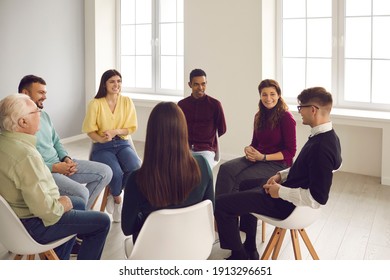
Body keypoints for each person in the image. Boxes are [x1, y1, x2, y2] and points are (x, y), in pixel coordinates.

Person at [215, 87, 342, 260]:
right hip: (286, 191)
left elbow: (318, 198)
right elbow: (303, 167)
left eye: (301, 108)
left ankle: (240, 256)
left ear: (313, 110)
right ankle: (250, 247)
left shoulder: (321, 147)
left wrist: (279, 191)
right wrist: (281, 176)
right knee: (245, 185)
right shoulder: (327, 136)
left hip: (286, 205)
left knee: (221, 205)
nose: (300, 112)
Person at [0, 94, 111, 260]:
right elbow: (48, 213)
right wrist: (63, 203)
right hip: (34, 224)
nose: (40, 113)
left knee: (79, 201)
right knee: (102, 222)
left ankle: (61, 258)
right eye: (35, 111)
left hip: (13, 222)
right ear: (23, 122)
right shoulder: (27, 156)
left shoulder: (6, 142)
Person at [121, 102, 214, 243]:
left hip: (153, 251)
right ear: (183, 130)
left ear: (151, 134)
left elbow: (128, 228)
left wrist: (150, 217)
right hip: (193, 246)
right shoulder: (202, 165)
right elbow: (209, 210)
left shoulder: (137, 179)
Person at [18, 75, 113, 210]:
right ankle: (81, 218)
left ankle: (82, 214)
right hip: (45, 172)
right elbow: (27, 163)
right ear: (25, 93)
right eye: (40, 92)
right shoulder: (18, 123)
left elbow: (56, 141)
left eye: (45, 92)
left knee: (106, 171)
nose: (45, 96)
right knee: (82, 193)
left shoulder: (43, 115)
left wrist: (66, 159)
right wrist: (55, 167)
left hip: (61, 164)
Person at [215, 79, 296, 196]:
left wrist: (263, 157)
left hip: (278, 163)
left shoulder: (286, 117)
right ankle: (219, 209)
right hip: (258, 158)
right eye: (264, 94)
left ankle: (231, 211)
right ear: (260, 96)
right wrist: (248, 149)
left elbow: (290, 152)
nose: (268, 98)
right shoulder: (258, 116)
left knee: (240, 179)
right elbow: (254, 143)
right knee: (225, 169)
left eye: (272, 94)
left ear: (278, 95)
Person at [82, 69, 141, 223]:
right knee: (115, 172)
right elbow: (89, 130)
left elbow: (131, 127)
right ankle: (118, 200)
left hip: (122, 143)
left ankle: (113, 193)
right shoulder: (95, 104)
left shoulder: (127, 101)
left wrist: (115, 131)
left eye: (119, 81)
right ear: (105, 84)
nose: (116, 84)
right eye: (112, 81)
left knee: (136, 167)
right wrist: (101, 140)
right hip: (102, 146)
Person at [178, 68, 227, 168]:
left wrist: (208, 139)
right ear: (190, 84)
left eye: (203, 84)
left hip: (206, 150)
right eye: (196, 84)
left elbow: (222, 129)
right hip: (185, 148)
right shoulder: (182, 105)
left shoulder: (215, 105)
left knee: (202, 172)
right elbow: (177, 128)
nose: (200, 87)